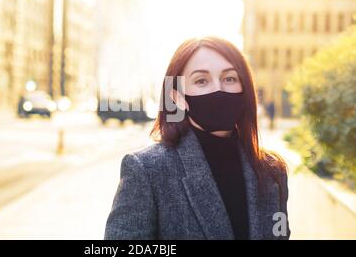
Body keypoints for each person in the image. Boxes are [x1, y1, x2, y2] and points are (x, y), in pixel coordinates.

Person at [104, 37, 290, 240]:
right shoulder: (146, 170)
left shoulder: (272, 171)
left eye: (230, 79)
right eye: (201, 81)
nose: (218, 89)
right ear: (178, 97)